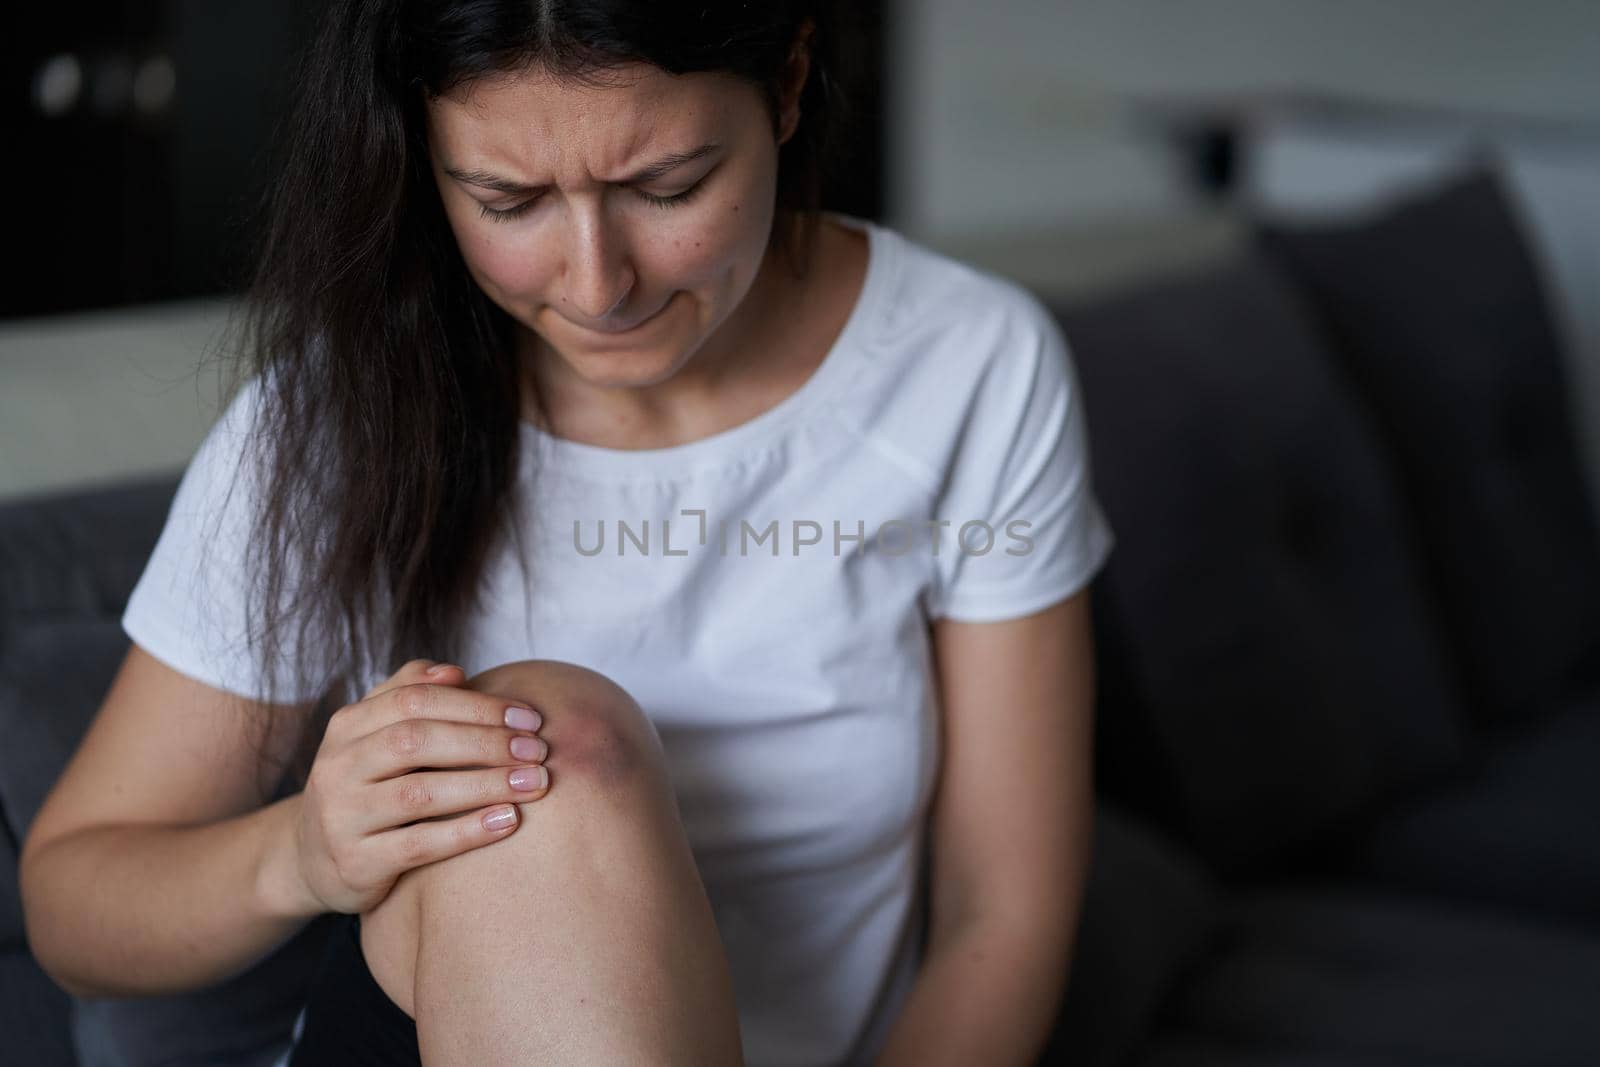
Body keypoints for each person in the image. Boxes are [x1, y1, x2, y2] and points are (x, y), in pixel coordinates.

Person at [18, 1, 1115, 1065]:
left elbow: (998, 912)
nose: (598, 284)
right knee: (543, 741)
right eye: (507, 200)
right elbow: (74, 900)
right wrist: (303, 852)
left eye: (666, 185)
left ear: (786, 84)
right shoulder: (339, 419)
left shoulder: (969, 363)